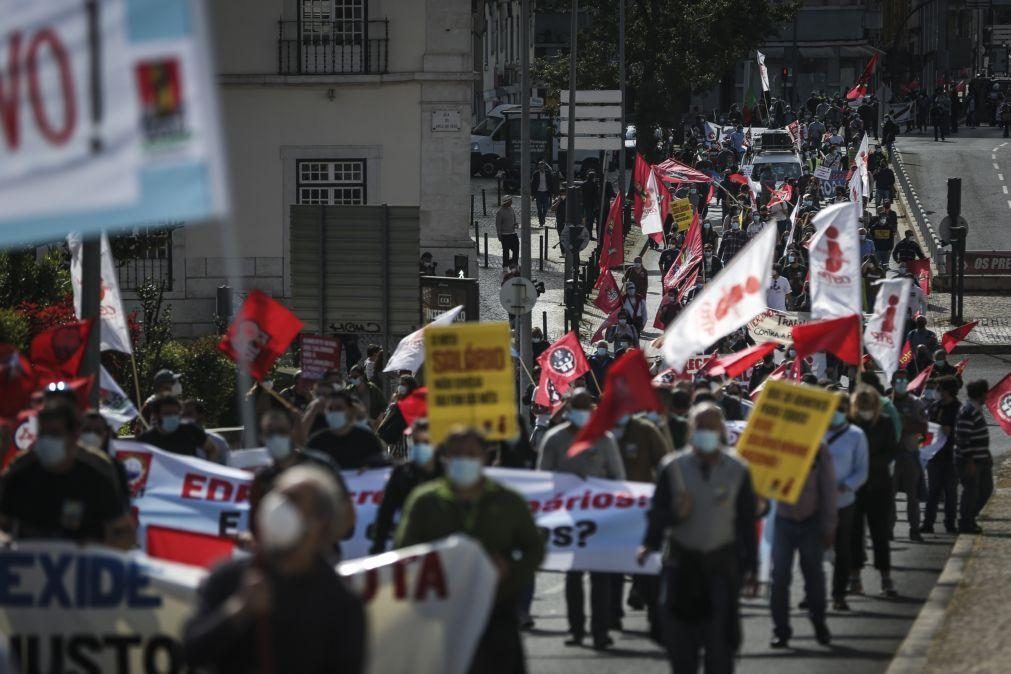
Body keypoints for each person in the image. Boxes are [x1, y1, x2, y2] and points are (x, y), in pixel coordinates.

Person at [184, 465, 365, 674]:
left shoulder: (341, 604)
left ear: (320, 522)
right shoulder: (229, 577)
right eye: (277, 496)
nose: (278, 507)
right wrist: (239, 611)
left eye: (293, 500)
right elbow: (192, 652)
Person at [396, 426, 544, 674]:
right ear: (444, 456)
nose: (464, 459)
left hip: (495, 611)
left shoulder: (508, 500)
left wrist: (510, 575)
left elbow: (534, 547)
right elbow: (403, 552)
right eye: (457, 454)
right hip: (440, 615)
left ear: (485, 456)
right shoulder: (424, 501)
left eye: (471, 453)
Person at [638, 402, 757, 672]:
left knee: (720, 649)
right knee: (681, 649)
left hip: (721, 567)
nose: (705, 431)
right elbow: (657, 516)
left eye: (711, 426)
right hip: (681, 566)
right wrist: (655, 537)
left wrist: (751, 568)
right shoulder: (673, 468)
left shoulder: (738, 469)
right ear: (691, 428)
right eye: (700, 426)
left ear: (721, 430)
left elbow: (746, 523)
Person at [538, 390, 625, 650]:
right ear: (567, 409)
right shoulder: (554, 440)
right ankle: (576, 630)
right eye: (577, 407)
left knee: (600, 578)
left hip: (599, 519)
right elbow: (544, 478)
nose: (581, 411)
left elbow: (617, 478)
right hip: (568, 519)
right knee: (573, 576)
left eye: (585, 407)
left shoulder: (604, 439)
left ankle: (600, 632)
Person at [0, 400, 134, 548]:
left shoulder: (96, 477)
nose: (47, 440)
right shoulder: (20, 474)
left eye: (55, 434)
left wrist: (100, 550)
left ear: (73, 437)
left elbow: (124, 533)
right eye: (43, 434)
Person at [770, 432, 837, 649]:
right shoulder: (774, 445)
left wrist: (828, 526)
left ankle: (819, 623)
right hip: (782, 520)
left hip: (811, 522)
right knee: (779, 578)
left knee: (814, 575)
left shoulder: (819, 448)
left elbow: (828, 490)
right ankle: (781, 630)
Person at [848, 387, 901, 597]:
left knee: (880, 533)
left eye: (867, 406)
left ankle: (885, 577)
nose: (864, 410)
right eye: (861, 406)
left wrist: (866, 464)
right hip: (855, 487)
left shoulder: (885, 422)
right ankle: (855, 577)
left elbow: (890, 451)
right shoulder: (850, 424)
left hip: (879, 484)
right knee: (854, 534)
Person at [824, 395, 868, 611]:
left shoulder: (856, 436)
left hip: (844, 502)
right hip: (818, 503)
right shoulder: (814, 433)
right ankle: (810, 593)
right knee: (812, 551)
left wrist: (847, 485)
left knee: (842, 549)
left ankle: (838, 594)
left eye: (841, 408)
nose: (836, 411)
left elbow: (862, 469)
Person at [370, 419, 441, 554]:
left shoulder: (446, 472)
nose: (420, 446)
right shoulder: (402, 473)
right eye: (416, 442)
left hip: (440, 544)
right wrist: (378, 546)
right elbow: (386, 512)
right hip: (408, 544)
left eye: (425, 442)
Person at [890, 370, 928, 541]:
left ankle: (915, 529)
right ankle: (888, 528)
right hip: (890, 456)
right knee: (889, 496)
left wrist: (905, 423)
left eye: (904, 380)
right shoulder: (885, 403)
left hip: (909, 453)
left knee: (912, 496)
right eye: (898, 380)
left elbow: (924, 428)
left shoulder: (915, 403)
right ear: (892, 383)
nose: (901, 383)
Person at [307, 390, 387, 468]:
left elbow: (381, 465)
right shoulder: (317, 441)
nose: (334, 412)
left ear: (350, 410)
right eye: (330, 409)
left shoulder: (367, 439)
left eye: (339, 408)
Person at [922, 376, 960, 534]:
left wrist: (951, 432)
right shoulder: (934, 407)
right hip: (934, 456)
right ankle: (928, 523)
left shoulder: (959, 408)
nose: (937, 392)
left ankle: (950, 523)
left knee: (951, 493)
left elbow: (962, 432)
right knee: (933, 491)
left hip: (951, 455)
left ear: (948, 391)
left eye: (940, 389)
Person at [955, 380, 994, 534]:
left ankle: (970, 518)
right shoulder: (968, 410)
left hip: (982, 458)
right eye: (986, 392)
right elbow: (963, 438)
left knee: (985, 490)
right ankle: (966, 521)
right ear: (982, 393)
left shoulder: (976, 409)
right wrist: (969, 460)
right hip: (970, 460)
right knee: (971, 491)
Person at [138, 395, 221, 461]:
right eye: (168, 413)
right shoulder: (146, 440)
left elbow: (211, 449)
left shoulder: (191, 430)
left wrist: (205, 470)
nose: (172, 417)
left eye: (176, 413)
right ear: (157, 415)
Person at [183, 398, 230, 464]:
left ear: (201, 415)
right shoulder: (177, 442)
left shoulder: (218, 441)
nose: (184, 418)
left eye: (189, 414)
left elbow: (227, 467)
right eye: (182, 415)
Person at [496, 197, 519, 267]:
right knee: (506, 252)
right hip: (505, 235)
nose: (512, 203)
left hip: (513, 233)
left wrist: (515, 224)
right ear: (507, 202)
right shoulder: (500, 212)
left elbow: (514, 219)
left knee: (516, 249)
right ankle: (505, 265)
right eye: (510, 201)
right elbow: (498, 225)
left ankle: (514, 263)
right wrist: (499, 235)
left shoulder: (511, 209)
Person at [532, 160, 556, 227]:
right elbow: (533, 184)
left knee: (545, 208)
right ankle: (541, 221)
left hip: (546, 193)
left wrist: (552, 193)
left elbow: (551, 184)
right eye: (540, 166)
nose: (541, 168)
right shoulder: (536, 174)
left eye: (543, 166)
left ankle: (543, 218)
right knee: (539, 208)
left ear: (544, 167)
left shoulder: (548, 174)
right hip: (538, 193)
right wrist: (533, 194)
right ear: (538, 167)